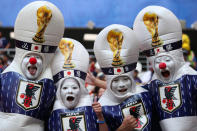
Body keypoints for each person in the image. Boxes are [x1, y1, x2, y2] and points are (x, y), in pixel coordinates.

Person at [0, 1, 64, 130]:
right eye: (28, 56)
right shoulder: (5, 77)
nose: (33, 60)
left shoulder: (51, 84)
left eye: (37, 58)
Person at [133, 5, 197, 131]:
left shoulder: (192, 78)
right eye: (158, 61)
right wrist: (98, 83)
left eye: (167, 59)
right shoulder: (153, 85)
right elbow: (131, 91)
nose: (162, 65)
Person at [94, 24, 153, 131]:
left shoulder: (147, 93)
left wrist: (96, 82)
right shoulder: (102, 107)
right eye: (115, 80)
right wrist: (123, 128)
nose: (121, 84)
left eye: (125, 79)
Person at [48, 38, 107, 131]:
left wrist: (100, 116)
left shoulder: (95, 110)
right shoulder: (50, 113)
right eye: (65, 88)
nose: (70, 91)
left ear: (81, 90)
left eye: (74, 87)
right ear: (59, 91)